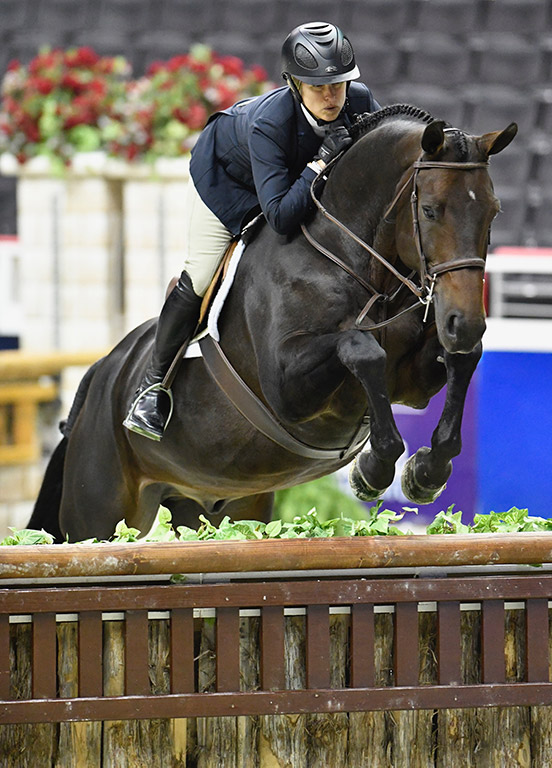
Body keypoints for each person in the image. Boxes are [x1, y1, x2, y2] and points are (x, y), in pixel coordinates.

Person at [123, 21, 381, 440]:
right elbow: (279, 215)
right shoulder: (270, 123)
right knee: (203, 271)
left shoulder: (360, 100)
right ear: (295, 85)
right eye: (320, 88)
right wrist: (319, 163)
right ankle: (151, 387)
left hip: (291, 180)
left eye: (339, 84)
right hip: (230, 181)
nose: (333, 97)